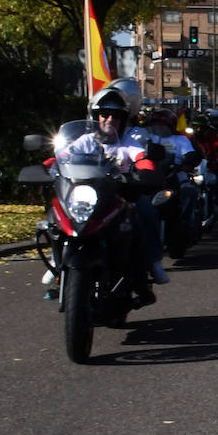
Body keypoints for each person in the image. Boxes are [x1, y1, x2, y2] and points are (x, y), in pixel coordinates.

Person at [52, 82, 169, 292]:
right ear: (95, 117)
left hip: (120, 193)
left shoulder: (128, 141)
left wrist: (147, 169)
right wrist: (48, 167)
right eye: (104, 114)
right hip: (85, 195)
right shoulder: (85, 141)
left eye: (115, 116)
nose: (109, 119)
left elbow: (141, 156)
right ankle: (56, 261)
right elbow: (61, 157)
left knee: (146, 212)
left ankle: (153, 263)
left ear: (123, 119)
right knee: (53, 214)